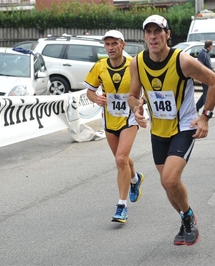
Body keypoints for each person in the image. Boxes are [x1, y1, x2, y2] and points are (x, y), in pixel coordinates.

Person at [128, 15, 215, 246]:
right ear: (144, 36)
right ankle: (185, 218)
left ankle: (188, 217)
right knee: (166, 184)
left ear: (167, 34)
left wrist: (205, 117)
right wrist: (137, 108)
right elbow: (132, 95)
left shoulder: (183, 61)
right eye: (148, 32)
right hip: (158, 131)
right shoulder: (137, 62)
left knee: (170, 180)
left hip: (183, 128)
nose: (153, 36)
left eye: (158, 31)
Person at [83, 30, 144, 223]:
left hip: (129, 119)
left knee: (120, 159)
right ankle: (135, 179)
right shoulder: (100, 66)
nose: (110, 48)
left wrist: (140, 106)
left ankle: (121, 206)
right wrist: (97, 98)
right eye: (107, 44)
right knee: (122, 159)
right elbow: (89, 91)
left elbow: (146, 88)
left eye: (114, 44)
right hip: (109, 120)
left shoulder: (133, 65)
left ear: (122, 45)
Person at [196, 40, 215, 113]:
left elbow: (208, 64)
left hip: (207, 75)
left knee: (206, 93)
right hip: (204, 76)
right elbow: (200, 65)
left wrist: (213, 69)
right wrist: (199, 77)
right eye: (212, 45)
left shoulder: (206, 53)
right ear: (210, 46)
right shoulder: (203, 54)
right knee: (207, 94)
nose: (212, 46)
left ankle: (196, 108)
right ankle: (206, 111)